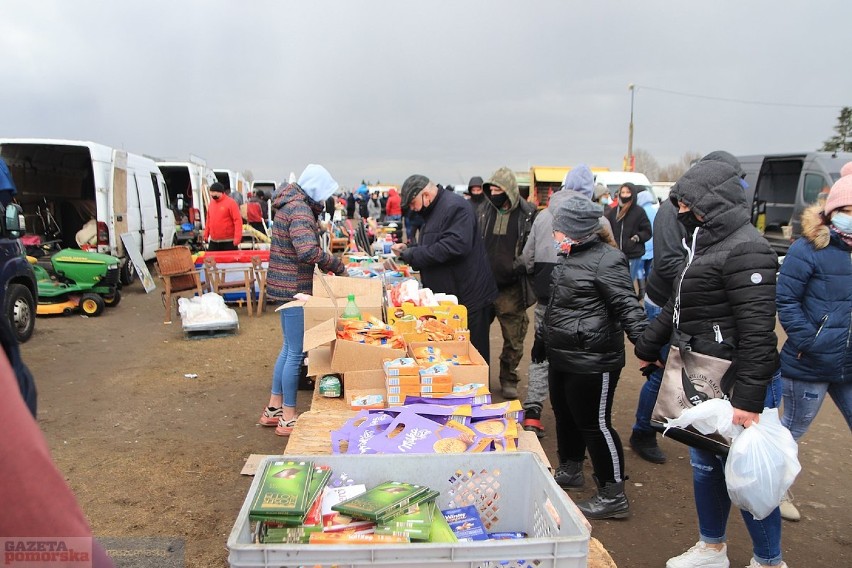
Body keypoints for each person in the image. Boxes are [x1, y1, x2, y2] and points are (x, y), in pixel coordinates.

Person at [634, 159, 786, 568]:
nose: (680, 211)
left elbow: (758, 333)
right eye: (679, 203)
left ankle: (769, 560)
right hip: (703, 375)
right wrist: (648, 345)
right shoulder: (702, 244)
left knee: (751, 473)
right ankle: (712, 547)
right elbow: (678, 304)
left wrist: (750, 402)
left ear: (712, 202)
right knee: (705, 464)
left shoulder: (747, 248)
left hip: (738, 383)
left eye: (687, 204)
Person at [631, 150, 747, 465]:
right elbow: (669, 263)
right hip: (668, 302)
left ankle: (681, 425)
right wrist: (707, 282)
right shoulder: (675, 210)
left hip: (694, 307)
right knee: (662, 373)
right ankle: (643, 430)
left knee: (684, 374)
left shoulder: (718, 216)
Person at [541, 194, 647, 519]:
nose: (554, 234)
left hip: (593, 359)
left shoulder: (607, 258)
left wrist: (646, 347)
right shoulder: (568, 255)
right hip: (562, 355)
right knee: (564, 414)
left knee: (594, 424)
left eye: (558, 228)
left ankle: (613, 493)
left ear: (574, 230)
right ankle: (571, 469)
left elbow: (628, 305)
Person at [776, 171, 852, 522]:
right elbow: (786, 300)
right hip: (811, 361)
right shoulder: (807, 248)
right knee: (791, 431)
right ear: (833, 210)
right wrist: (811, 340)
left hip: (849, 363)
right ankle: (776, 488)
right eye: (847, 208)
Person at [518, 164, 612, 437]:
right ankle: (576, 417)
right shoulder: (600, 221)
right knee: (578, 356)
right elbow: (611, 262)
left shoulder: (543, 215)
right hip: (586, 304)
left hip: (547, 297)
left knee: (541, 350)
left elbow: (528, 257)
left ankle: (533, 412)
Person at [259, 164, 345, 436]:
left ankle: (274, 408)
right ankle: (288, 417)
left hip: (285, 286)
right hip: (294, 287)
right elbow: (307, 250)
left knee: (288, 349)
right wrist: (335, 263)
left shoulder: (290, 204)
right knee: (295, 352)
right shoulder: (300, 209)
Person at [392, 175, 497, 365]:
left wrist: (413, 254)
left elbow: (453, 246)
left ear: (425, 195)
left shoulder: (455, 207)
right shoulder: (435, 210)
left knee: (473, 356)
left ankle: (478, 392)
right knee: (456, 356)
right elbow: (435, 242)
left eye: (413, 203)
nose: (413, 209)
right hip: (454, 296)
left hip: (469, 297)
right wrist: (410, 248)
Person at [476, 167, 537, 399]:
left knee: (514, 338)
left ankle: (508, 378)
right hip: (484, 285)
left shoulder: (528, 214)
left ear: (509, 190)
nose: (493, 193)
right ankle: (478, 378)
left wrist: (517, 266)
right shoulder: (483, 211)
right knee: (477, 334)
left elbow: (533, 248)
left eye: (498, 189)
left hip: (512, 288)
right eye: (490, 189)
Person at [605, 182, 651, 294]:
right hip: (615, 253)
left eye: (628, 192)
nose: (625, 195)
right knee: (616, 282)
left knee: (628, 282)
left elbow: (647, 231)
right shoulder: (613, 212)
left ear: (633, 194)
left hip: (632, 254)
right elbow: (607, 229)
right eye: (623, 192)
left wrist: (636, 238)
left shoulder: (639, 212)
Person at [203, 182, 243, 251]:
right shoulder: (211, 204)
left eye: (214, 192)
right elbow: (208, 220)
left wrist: (237, 238)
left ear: (220, 192)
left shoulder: (231, 203)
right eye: (211, 192)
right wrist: (206, 234)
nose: (212, 194)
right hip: (214, 241)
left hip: (228, 241)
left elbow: (237, 221)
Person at [635, 189, 659, 298]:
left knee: (639, 269)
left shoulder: (640, 211)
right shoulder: (655, 210)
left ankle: (641, 291)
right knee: (650, 269)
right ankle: (650, 290)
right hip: (654, 245)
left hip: (643, 244)